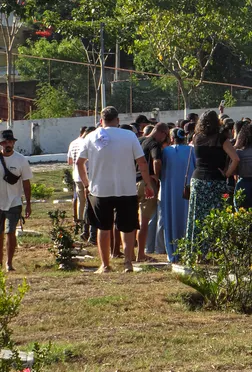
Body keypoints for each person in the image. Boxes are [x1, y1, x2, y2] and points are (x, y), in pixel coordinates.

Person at [77, 107, 156, 274]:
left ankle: (105, 265)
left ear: (101, 120)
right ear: (117, 120)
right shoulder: (129, 136)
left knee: (103, 228)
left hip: (100, 190)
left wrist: (86, 184)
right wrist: (148, 184)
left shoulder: (91, 136)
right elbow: (142, 162)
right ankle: (128, 263)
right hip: (126, 188)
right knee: (128, 228)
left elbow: (79, 163)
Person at [186, 111, 239, 252]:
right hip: (216, 180)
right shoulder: (221, 139)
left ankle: (197, 251)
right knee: (216, 216)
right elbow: (235, 159)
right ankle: (214, 251)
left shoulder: (196, 137)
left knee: (198, 216)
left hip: (197, 180)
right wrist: (227, 173)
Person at [159, 128, 195, 263]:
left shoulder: (166, 152)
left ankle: (172, 253)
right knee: (187, 218)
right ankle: (188, 251)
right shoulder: (192, 150)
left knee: (170, 218)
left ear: (171, 138)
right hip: (187, 190)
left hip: (169, 190)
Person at [136, 123, 169, 262]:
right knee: (145, 221)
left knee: (132, 221)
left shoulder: (139, 141)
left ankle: (129, 253)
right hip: (146, 183)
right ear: (161, 133)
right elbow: (157, 161)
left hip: (132, 182)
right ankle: (141, 254)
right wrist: (157, 177)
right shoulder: (154, 144)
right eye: (165, 135)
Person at [0, 131, 32, 272]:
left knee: (10, 232)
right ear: (1, 144)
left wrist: (28, 204)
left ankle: (9, 263)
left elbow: (26, 183)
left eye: (10, 142)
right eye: (5, 142)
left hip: (14, 201)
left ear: (14, 143)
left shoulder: (21, 160)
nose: (8, 144)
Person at [68, 126, 93, 243]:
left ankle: (80, 222)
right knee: (88, 202)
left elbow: (70, 161)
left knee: (80, 200)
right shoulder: (88, 143)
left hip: (76, 175)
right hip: (87, 175)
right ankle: (86, 225)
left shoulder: (73, 143)